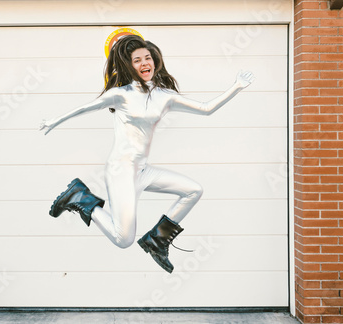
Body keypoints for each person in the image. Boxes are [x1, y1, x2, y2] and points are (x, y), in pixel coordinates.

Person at [40, 35, 254, 273]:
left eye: (147, 58)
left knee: (194, 190)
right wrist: (54, 121)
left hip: (142, 170)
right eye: (137, 60)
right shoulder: (120, 94)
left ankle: (158, 239)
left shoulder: (165, 96)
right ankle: (80, 197)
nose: (144, 63)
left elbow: (206, 109)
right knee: (124, 240)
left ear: (155, 60)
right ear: (128, 66)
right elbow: (84, 108)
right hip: (121, 170)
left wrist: (236, 87)